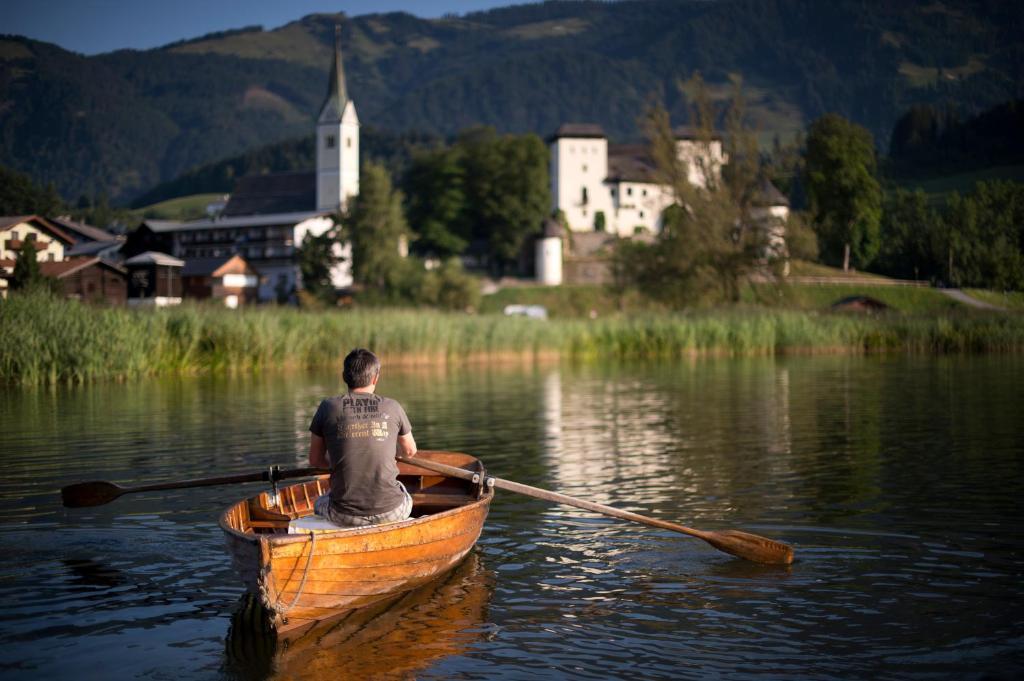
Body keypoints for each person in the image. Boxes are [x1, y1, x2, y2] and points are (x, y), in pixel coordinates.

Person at [309, 348, 417, 527]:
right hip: (392, 512)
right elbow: (410, 451)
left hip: (343, 515)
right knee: (405, 495)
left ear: (344, 376)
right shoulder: (393, 407)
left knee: (319, 502)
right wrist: (390, 456)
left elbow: (315, 460)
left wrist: (341, 462)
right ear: (376, 378)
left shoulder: (328, 407)